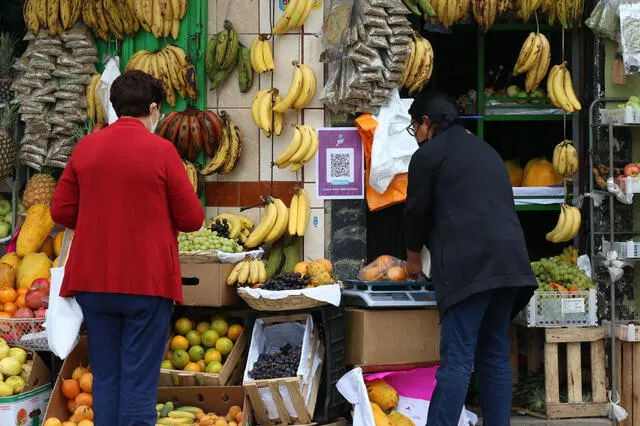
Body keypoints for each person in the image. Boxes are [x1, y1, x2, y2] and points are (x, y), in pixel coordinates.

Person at [51, 70, 204, 426]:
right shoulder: (161, 150)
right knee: (137, 383)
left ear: (116, 108)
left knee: (106, 378)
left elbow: (61, 211)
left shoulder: (87, 147)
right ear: (153, 109)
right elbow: (192, 218)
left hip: (92, 283)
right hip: (146, 284)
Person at [403, 91, 537, 426]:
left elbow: (415, 215)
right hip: (510, 265)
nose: (415, 135)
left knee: (458, 360)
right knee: (493, 355)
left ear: (426, 123)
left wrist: (412, 262)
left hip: (470, 268)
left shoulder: (428, 156)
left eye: (414, 127)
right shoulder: (486, 151)